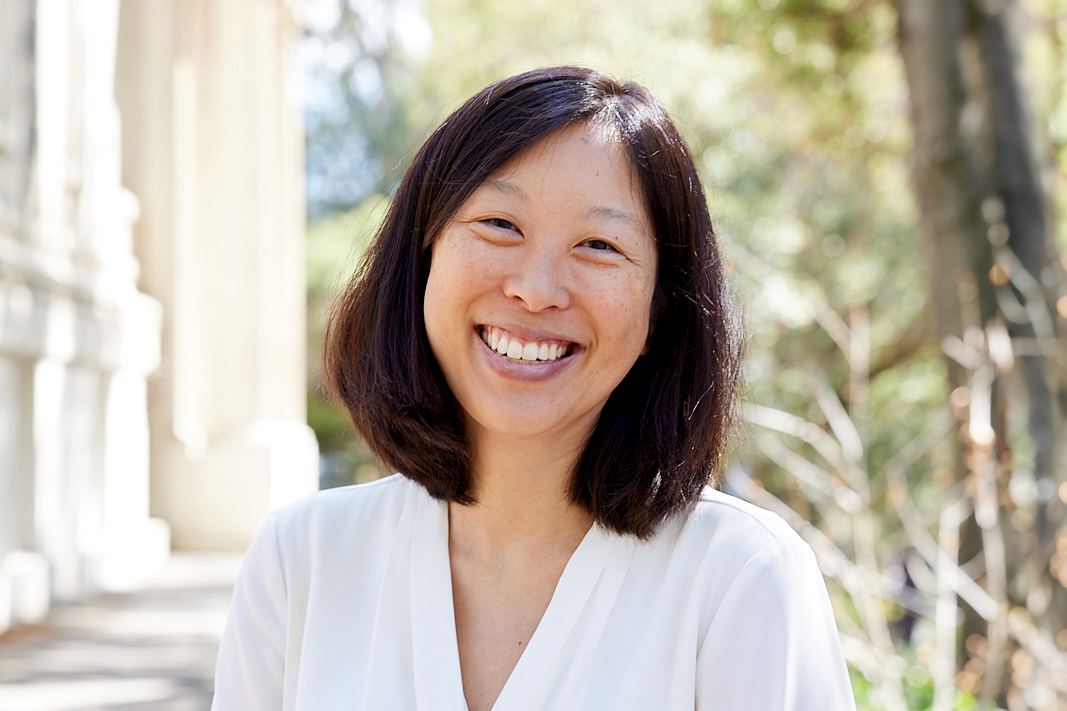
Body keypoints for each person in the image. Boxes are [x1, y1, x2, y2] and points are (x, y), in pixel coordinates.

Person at [211, 66, 856, 711]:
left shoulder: (741, 580)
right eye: (500, 224)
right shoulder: (303, 563)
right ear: (424, 255)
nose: (537, 288)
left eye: (599, 245)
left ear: (660, 310)